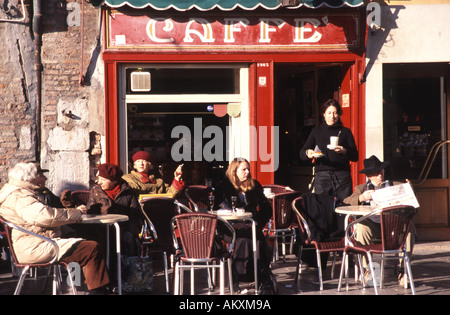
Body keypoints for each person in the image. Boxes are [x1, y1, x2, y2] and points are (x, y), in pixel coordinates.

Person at [0, 162, 110, 294]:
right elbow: (44, 216)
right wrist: (76, 213)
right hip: (36, 246)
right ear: (31, 177)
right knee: (91, 248)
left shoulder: (20, 193)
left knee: (86, 239)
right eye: (41, 175)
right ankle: (97, 292)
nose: (45, 179)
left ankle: (88, 286)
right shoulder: (21, 196)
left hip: (37, 241)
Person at [343, 155, 417, 287]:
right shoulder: (361, 188)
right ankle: (366, 270)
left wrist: (410, 192)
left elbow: (414, 208)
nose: (380, 176)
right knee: (360, 227)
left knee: (410, 229)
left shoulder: (395, 185)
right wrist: (360, 198)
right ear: (369, 176)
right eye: (376, 174)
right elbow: (346, 201)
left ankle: (403, 271)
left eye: (381, 172)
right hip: (373, 225)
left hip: (393, 227)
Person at [213, 158, 275, 293]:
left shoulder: (254, 185)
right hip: (229, 227)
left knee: (255, 236)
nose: (247, 172)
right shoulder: (223, 188)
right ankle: (244, 277)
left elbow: (266, 208)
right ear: (234, 171)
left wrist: (258, 222)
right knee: (245, 238)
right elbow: (215, 209)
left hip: (250, 226)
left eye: (248, 169)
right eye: (243, 169)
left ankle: (259, 278)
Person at [300, 99, 358, 202]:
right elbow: (302, 153)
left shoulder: (345, 132)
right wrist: (308, 153)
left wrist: (344, 151)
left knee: (343, 209)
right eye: (329, 113)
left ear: (339, 115)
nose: (332, 116)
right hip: (322, 177)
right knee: (322, 209)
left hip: (342, 178)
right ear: (324, 114)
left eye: (335, 113)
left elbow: (355, 156)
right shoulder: (316, 131)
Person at [86, 163, 143, 257]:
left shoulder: (128, 193)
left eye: (103, 180)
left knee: (128, 241)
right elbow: (90, 214)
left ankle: (127, 269)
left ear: (114, 181)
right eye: (99, 179)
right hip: (101, 231)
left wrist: (130, 232)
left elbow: (136, 216)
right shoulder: (95, 191)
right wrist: (92, 210)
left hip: (122, 230)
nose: (99, 182)